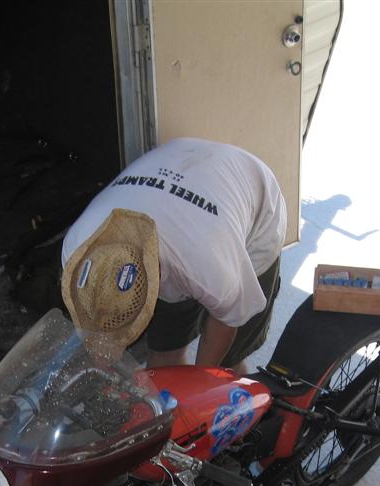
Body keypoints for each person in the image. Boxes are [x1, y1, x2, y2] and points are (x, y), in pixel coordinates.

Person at [60, 137, 286, 370]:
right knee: (163, 360)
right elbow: (94, 335)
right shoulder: (76, 249)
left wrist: (200, 384)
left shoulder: (211, 269)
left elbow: (226, 321)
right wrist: (102, 361)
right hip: (179, 162)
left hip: (253, 196)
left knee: (225, 369)